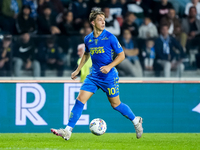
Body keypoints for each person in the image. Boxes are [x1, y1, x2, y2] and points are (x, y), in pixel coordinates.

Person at [51, 9, 143, 140]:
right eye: (100, 19)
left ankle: (136, 121)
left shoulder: (110, 37)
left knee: (116, 104)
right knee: (80, 100)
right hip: (94, 76)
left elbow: (121, 55)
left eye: (104, 19)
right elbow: (87, 54)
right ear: (93, 22)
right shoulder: (88, 39)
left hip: (109, 76)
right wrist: (77, 70)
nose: (103, 22)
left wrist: (109, 66)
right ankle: (67, 131)